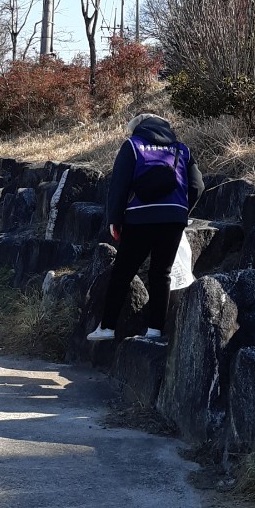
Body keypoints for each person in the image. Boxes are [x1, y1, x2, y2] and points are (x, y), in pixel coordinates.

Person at [86, 113, 204, 342]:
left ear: (137, 128)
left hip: (139, 218)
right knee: (161, 274)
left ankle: (108, 327)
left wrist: (115, 220)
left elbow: (119, 185)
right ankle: (155, 331)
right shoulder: (182, 149)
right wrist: (181, 210)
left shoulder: (132, 146)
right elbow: (197, 186)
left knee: (123, 273)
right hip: (173, 218)